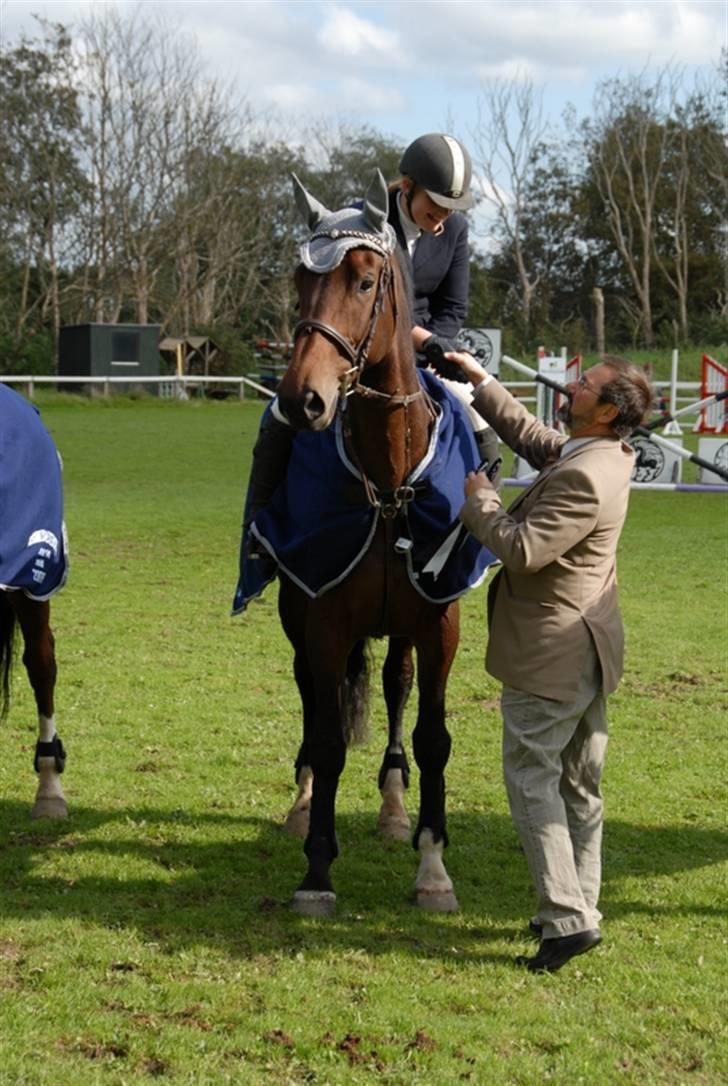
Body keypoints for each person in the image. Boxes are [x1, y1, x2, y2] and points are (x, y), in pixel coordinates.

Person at [448, 348, 652, 972]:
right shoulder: (602, 454)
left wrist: (480, 497)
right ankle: (579, 908)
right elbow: (540, 441)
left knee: (533, 778)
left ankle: (564, 921)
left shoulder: (585, 475)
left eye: (583, 387)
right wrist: (481, 381)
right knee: (579, 786)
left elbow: (523, 549)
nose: (570, 389)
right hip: (586, 650)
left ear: (609, 409)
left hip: (551, 655)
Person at [245, 133, 496, 529]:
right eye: (437, 203)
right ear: (409, 186)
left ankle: (481, 529)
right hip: (358, 349)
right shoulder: (357, 222)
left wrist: (435, 348)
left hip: (426, 356)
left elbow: (454, 307)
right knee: (278, 414)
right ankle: (259, 528)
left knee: (475, 410)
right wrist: (420, 340)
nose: (444, 215)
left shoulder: (456, 230)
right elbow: (338, 296)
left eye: (452, 207)